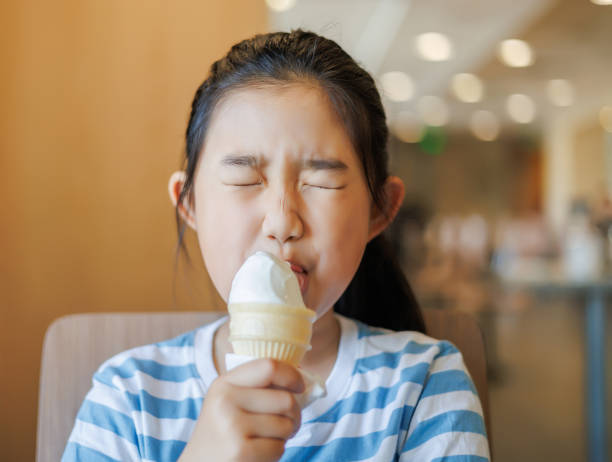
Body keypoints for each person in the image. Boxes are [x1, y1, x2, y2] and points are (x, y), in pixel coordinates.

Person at [62, 30, 490, 462]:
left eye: (321, 180)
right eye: (245, 180)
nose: (283, 221)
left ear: (379, 210)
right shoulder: (126, 397)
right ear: (189, 204)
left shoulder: (425, 384)